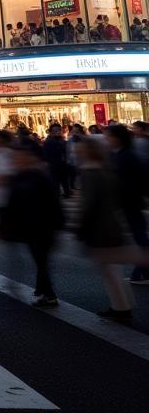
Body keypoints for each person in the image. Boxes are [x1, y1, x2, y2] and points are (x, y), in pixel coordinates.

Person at [75, 137, 149, 322]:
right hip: (110, 222)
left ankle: (121, 309)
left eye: (80, 150)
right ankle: (122, 306)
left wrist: (80, 226)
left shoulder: (89, 172)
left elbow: (88, 203)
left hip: (99, 227)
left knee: (110, 266)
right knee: (111, 267)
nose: (77, 152)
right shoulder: (105, 168)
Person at [0, 142, 63, 307]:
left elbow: (53, 202)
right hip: (28, 226)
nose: (16, 161)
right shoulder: (20, 177)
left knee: (41, 261)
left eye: (19, 158)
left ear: (29, 159)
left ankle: (48, 294)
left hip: (41, 226)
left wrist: (57, 224)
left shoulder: (39, 177)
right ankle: (43, 290)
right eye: (15, 158)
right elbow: (11, 203)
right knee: (40, 260)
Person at [105, 125, 149, 287]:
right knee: (139, 237)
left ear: (118, 138)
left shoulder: (127, 156)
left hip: (130, 202)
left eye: (108, 137)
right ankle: (141, 272)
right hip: (127, 203)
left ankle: (142, 272)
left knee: (140, 237)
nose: (106, 140)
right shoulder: (116, 155)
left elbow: (137, 180)